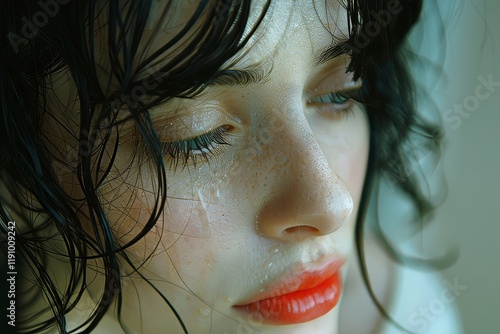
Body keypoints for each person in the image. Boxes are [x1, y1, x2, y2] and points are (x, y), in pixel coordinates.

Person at [0, 0, 461, 333]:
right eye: (197, 134)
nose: (331, 203)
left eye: (338, 93)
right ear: (17, 179)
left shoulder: (408, 310)